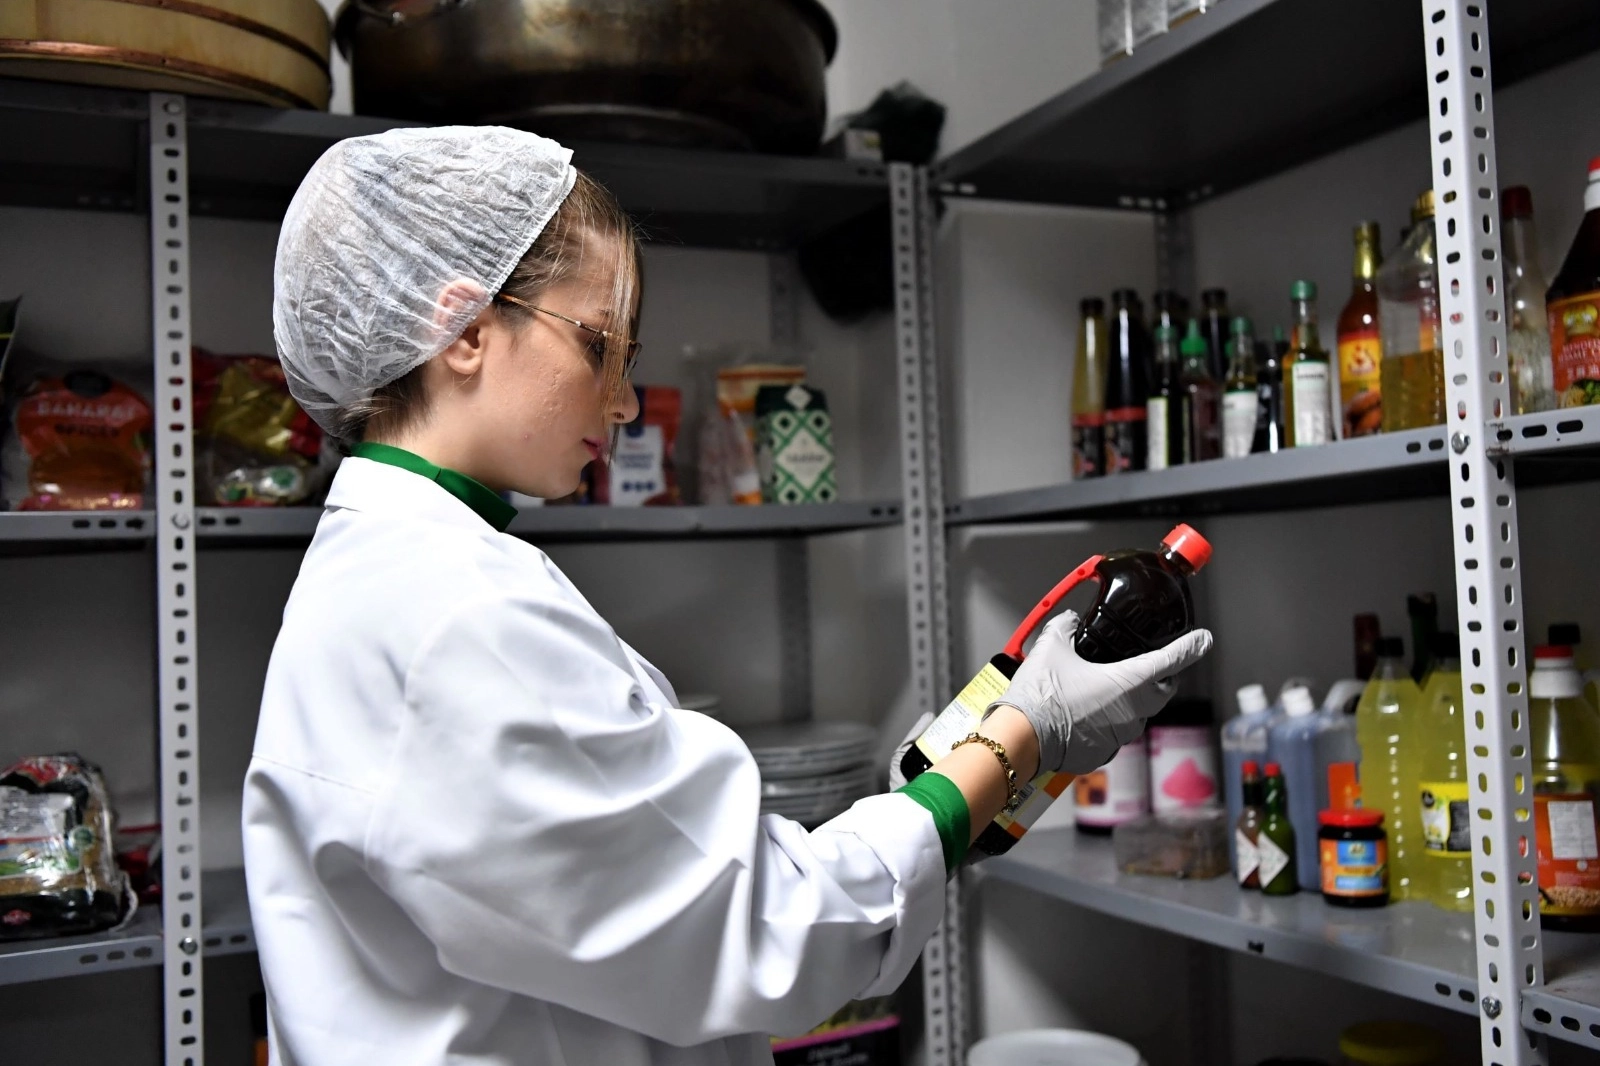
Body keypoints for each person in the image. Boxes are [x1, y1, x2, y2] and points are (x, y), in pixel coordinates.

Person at [242, 126, 1212, 1066]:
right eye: (600, 346)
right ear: (465, 331)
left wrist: (949, 781)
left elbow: (663, 889)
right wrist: (1017, 740)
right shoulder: (458, 613)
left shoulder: (392, 573)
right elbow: (768, 929)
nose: (624, 402)